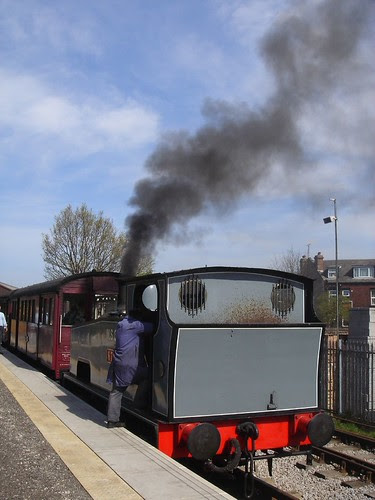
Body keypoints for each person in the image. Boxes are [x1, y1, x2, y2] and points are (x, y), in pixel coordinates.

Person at [106, 307, 153, 428]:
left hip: (119, 363)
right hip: (131, 364)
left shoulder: (121, 324)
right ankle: (137, 406)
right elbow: (153, 327)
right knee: (148, 377)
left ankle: (112, 420)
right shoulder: (135, 325)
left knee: (116, 391)